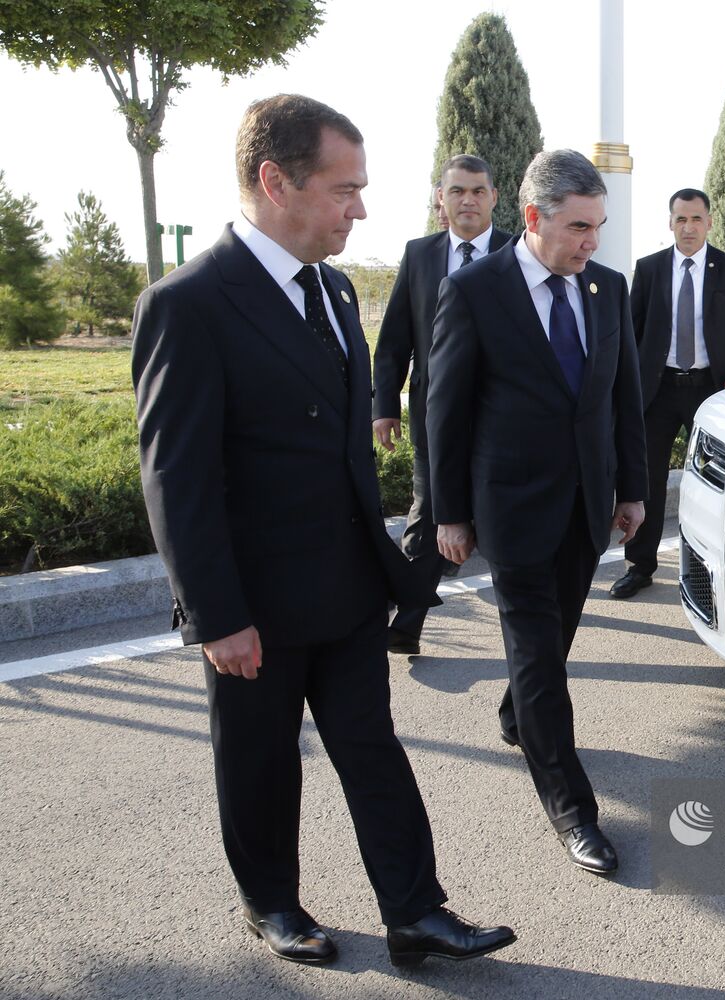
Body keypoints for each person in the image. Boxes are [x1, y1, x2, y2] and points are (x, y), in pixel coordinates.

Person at [131, 94, 515, 969]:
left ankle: (416, 911)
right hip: (252, 603)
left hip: (343, 585)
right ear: (275, 181)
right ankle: (270, 901)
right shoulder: (189, 303)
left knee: (373, 751)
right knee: (263, 765)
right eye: (345, 190)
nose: (362, 209)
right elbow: (176, 477)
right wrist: (213, 615)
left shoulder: (336, 291)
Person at [426, 149, 646, 875]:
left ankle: (515, 714)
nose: (592, 242)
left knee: (552, 647)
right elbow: (444, 413)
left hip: (586, 508)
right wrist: (448, 514)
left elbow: (623, 400)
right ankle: (571, 809)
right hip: (511, 512)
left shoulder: (607, 290)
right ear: (532, 218)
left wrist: (634, 490)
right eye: (579, 227)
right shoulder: (474, 290)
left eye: (599, 227)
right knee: (539, 657)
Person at [373, 154, 510, 656]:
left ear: (494, 197)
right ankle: (407, 620)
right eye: (458, 191)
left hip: (502, 418)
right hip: (436, 417)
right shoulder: (420, 255)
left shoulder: (520, 255)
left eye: (478, 190)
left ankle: (528, 623)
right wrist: (384, 404)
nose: (468, 200)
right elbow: (393, 341)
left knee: (502, 518)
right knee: (429, 512)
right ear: (441, 200)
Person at [610, 188, 725, 599]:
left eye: (696, 219)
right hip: (657, 393)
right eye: (681, 219)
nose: (689, 227)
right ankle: (639, 566)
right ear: (670, 222)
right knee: (647, 480)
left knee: (723, 481)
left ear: (709, 221)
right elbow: (629, 333)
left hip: (711, 392)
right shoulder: (650, 269)